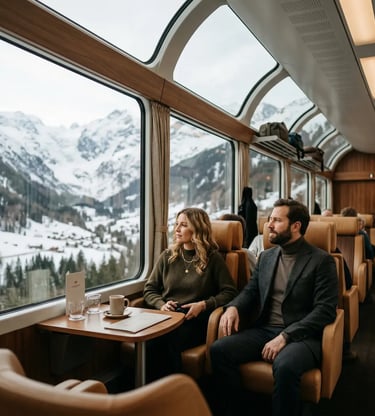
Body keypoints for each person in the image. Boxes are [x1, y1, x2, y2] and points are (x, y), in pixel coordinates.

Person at [210, 199, 338, 416]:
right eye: (269, 219)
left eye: (277, 220)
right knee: (219, 350)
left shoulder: (321, 261)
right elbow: (251, 291)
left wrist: (286, 336)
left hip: (303, 335)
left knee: (285, 366)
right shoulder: (266, 257)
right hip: (265, 329)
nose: (269, 225)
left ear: (296, 226)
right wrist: (232, 307)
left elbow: (325, 310)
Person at [143, 207, 238, 379]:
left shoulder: (214, 259)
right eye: (177, 224)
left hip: (194, 321)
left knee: (167, 342)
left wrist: (203, 305)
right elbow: (150, 289)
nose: (177, 229)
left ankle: (174, 393)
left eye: (184, 225)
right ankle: (150, 394)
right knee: (149, 343)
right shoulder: (167, 256)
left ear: (197, 229)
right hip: (167, 317)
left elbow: (230, 292)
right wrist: (161, 304)